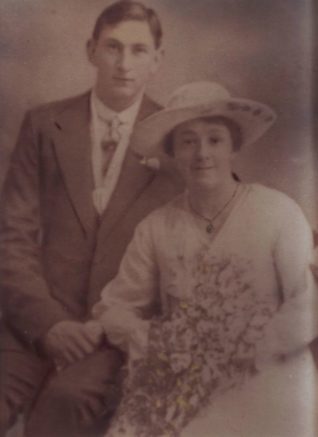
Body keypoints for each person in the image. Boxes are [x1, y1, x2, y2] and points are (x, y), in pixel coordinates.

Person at [90, 81, 318, 436]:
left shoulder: (277, 212)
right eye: (187, 141)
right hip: (184, 377)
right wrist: (150, 339)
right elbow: (114, 307)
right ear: (172, 153)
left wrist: (253, 349)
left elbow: (309, 300)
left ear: (234, 147)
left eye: (214, 140)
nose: (202, 154)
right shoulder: (157, 227)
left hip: (267, 373)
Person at [0, 2, 181, 436]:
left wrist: (111, 327)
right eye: (113, 47)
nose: (124, 64)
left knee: (59, 411)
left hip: (110, 339)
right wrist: (48, 323)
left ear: (157, 60)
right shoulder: (45, 124)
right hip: (33, 322)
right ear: (90, 50)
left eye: (139, 51)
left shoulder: (177, 141)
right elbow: (12, 238)